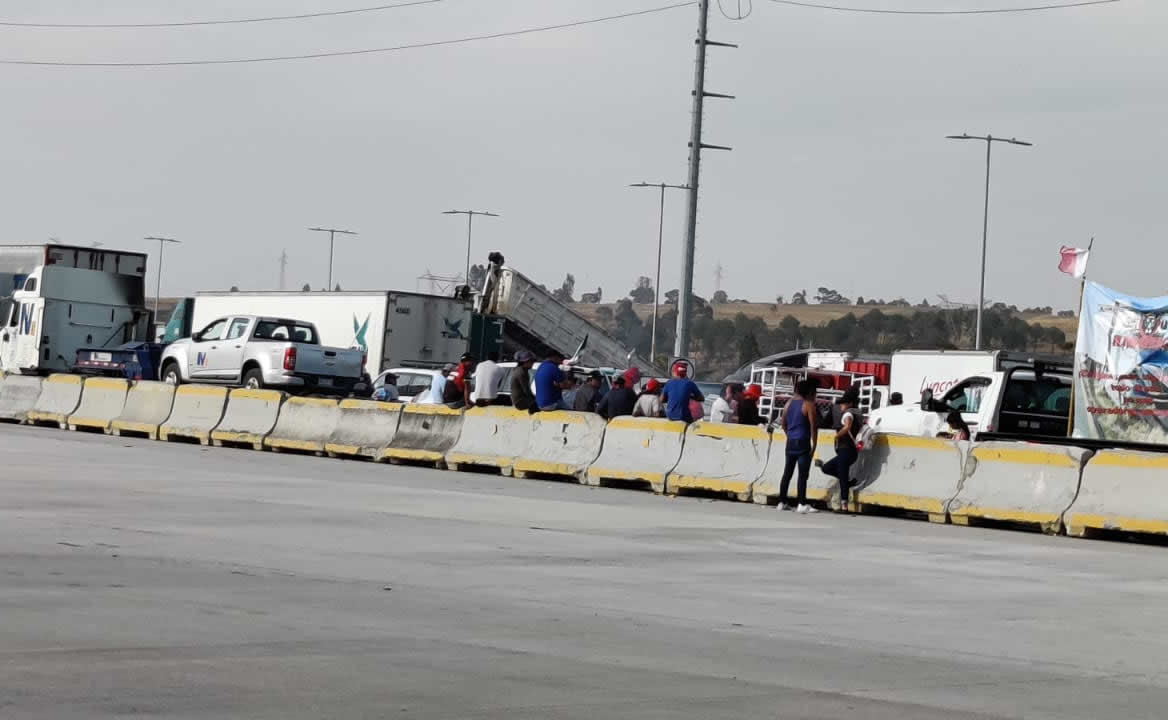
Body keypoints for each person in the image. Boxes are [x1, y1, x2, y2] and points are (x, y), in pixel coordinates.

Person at [778, 379, 819, 514]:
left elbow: (783, 423)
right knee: (802, 475)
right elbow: (814, 427)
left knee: (787, 473)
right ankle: (801, 503)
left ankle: (782, 501)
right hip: (803, 442)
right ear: (809, 392)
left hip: (790, 442)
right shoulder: (808, 405)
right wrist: (814, 445)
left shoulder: (788, 404)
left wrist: (789, 435)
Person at [817, 388, 861, 513]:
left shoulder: (848, 414)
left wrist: (837, 435)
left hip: (846, 449)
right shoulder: (857, 413)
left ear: (850, 404)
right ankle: (848, 483)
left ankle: (844, 506)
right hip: (850, 451)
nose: (841, 405)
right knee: (827, 468)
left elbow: (847, 427)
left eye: (843, 403)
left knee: (837, 474)